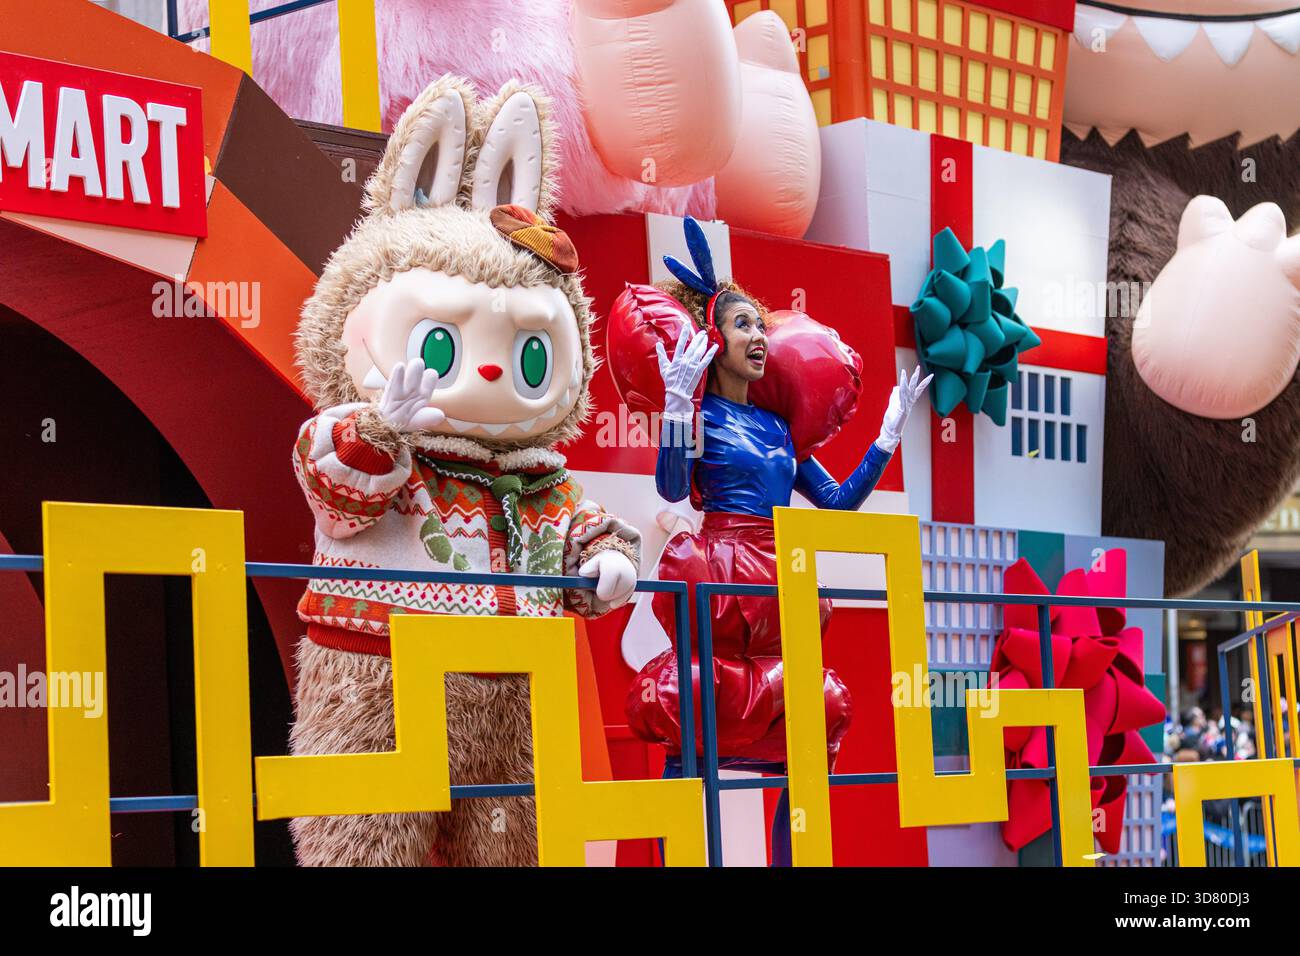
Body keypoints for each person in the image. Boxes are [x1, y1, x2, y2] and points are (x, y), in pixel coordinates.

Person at [623, 218, 931, 863]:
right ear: (715, 338)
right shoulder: (701, 411)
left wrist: (886, 438)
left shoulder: (779, 427)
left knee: (805, 724)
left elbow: (838, 503)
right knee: (696, 710)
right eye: (743, 325)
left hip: (780, 572)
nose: (758, 336)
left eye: (762, 325)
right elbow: (674, 487)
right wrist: (678, 408)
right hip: (719, 567)